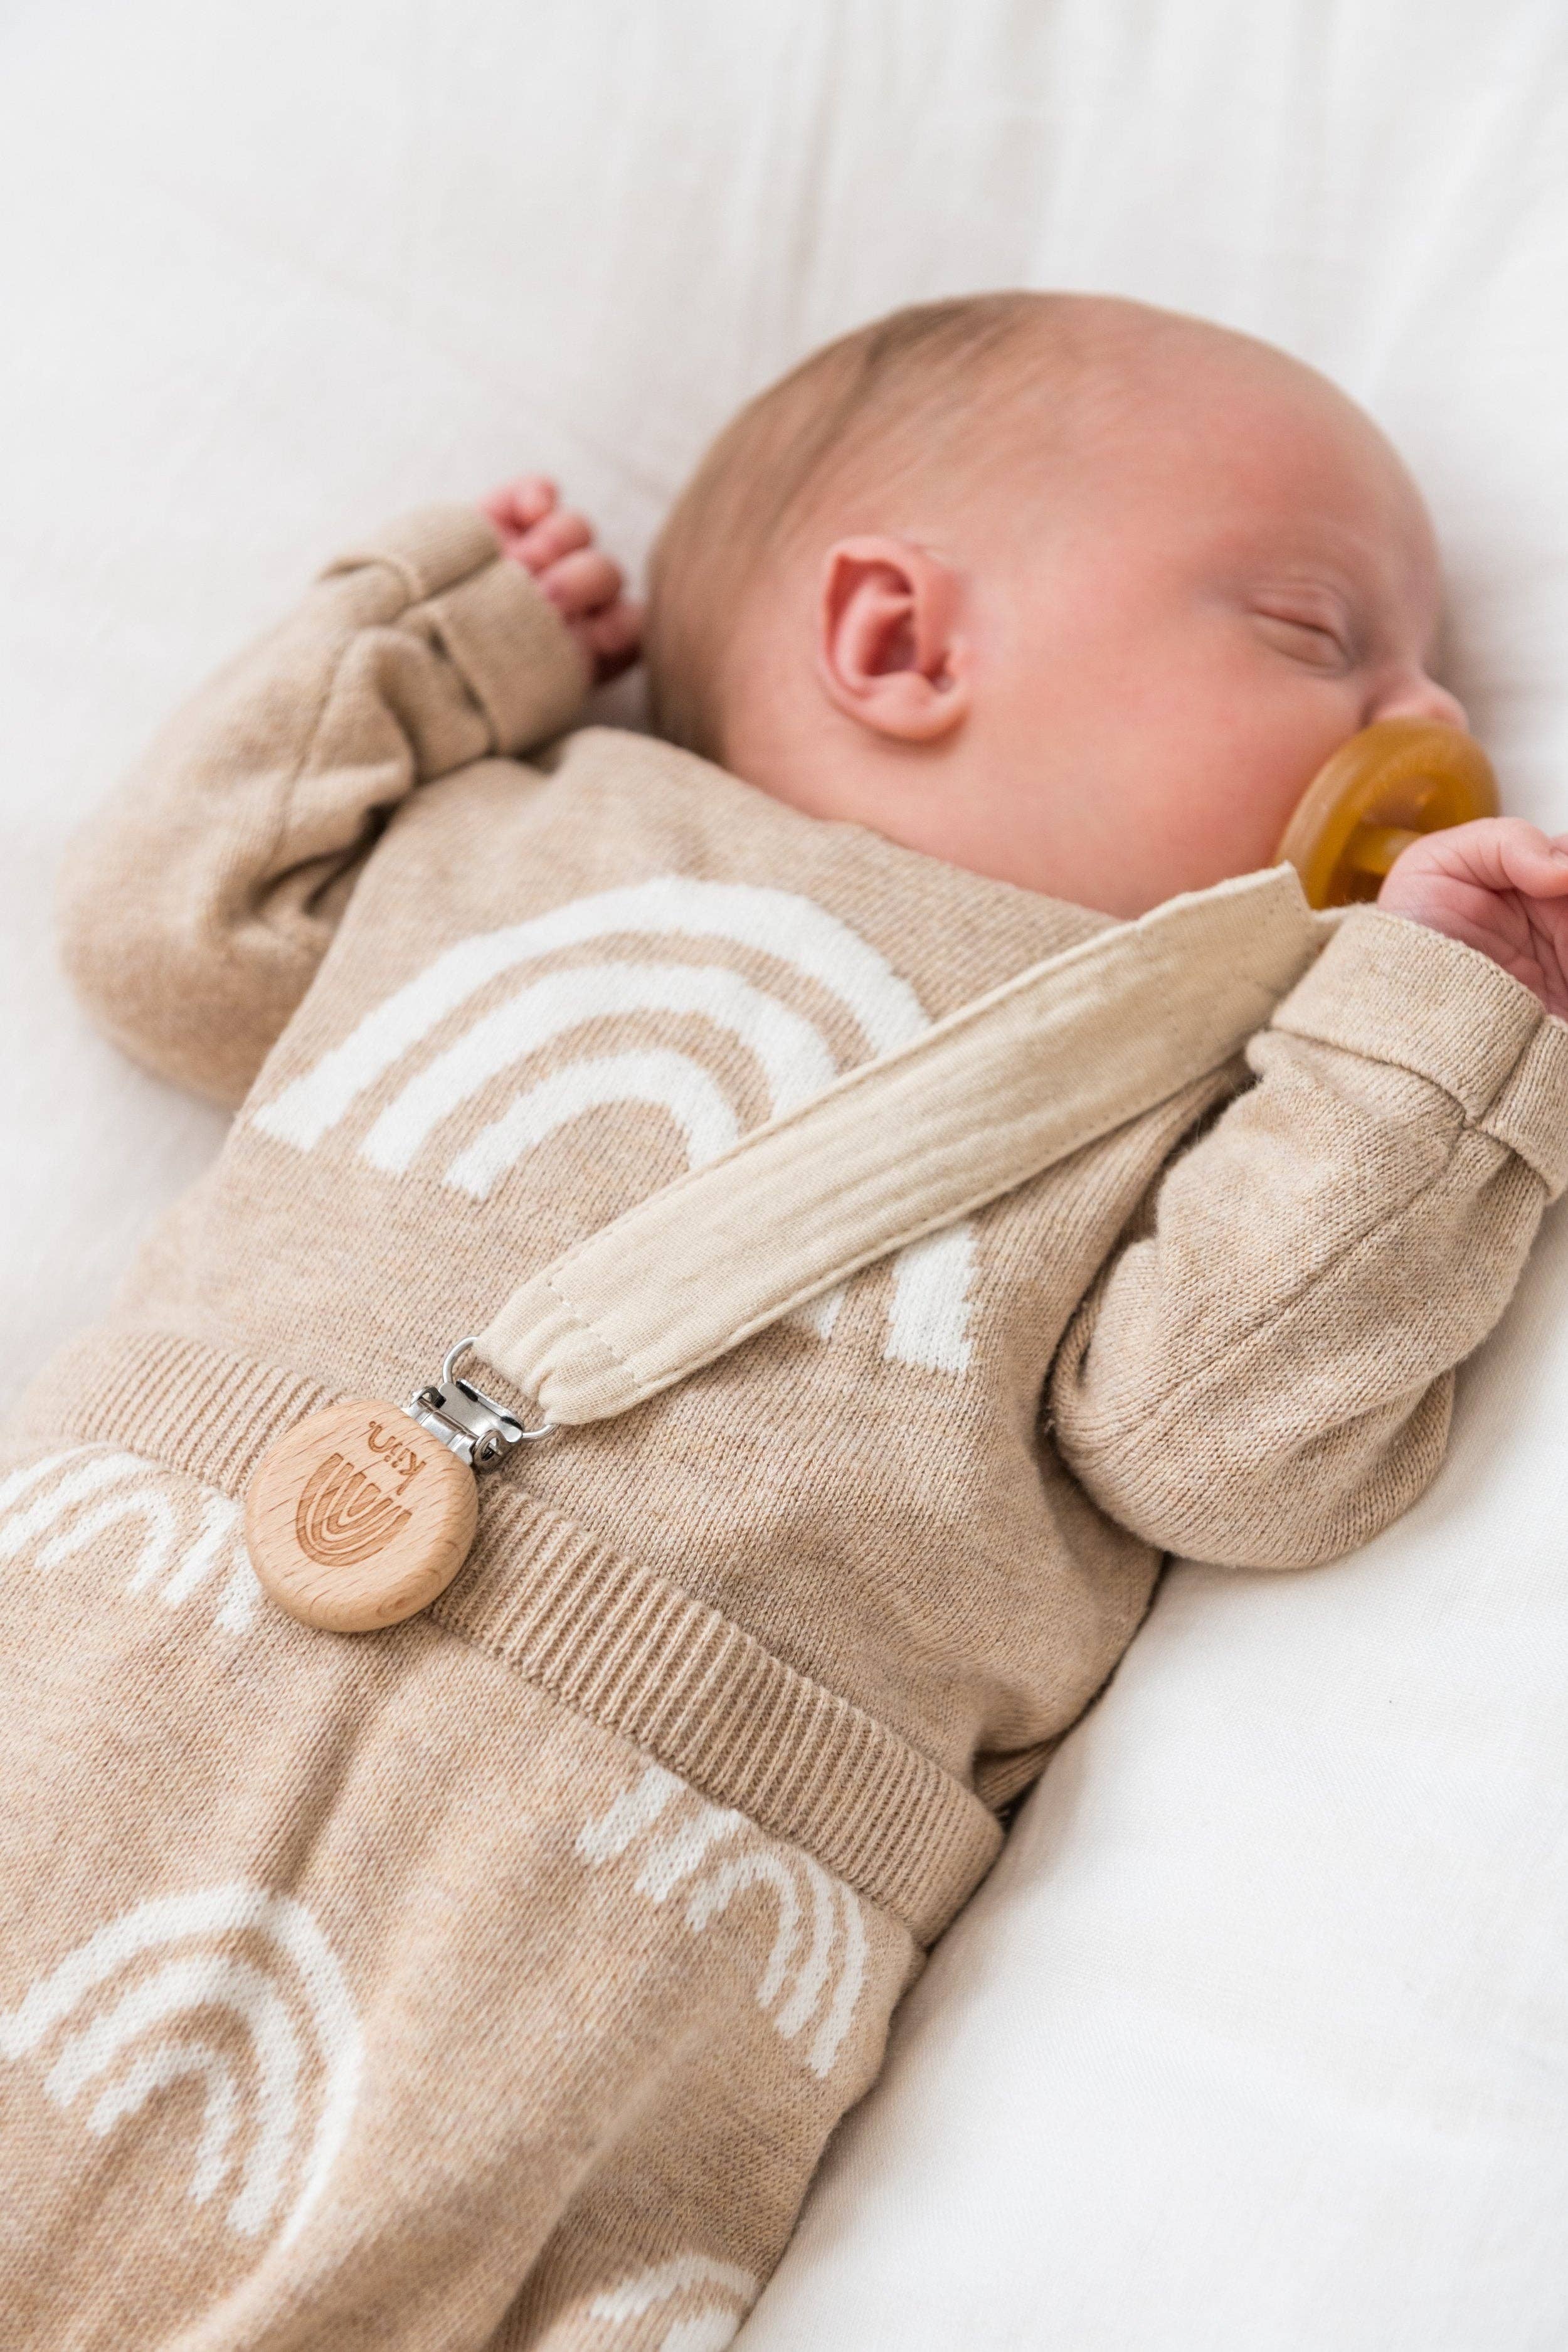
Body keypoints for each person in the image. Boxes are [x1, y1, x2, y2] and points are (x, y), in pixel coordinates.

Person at [4, 294, 1567, 2349]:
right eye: (1313, 634)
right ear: (900, 645)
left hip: (651, 1884)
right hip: (117, 1639)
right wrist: (437, 634)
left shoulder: (1226, 1100)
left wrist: (1438, 1034)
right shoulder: (527, 827)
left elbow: (1222, 1442)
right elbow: (174, 943)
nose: (1427, 724)